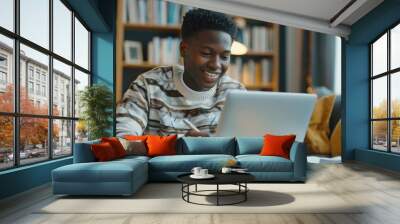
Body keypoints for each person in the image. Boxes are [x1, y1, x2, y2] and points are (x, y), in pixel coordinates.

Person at [116, 8, 245, 138]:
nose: (216, 65)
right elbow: (124, 140)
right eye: (206, 53)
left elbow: (252, 142)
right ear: (183, 49)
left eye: (224, 56)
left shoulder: (235, 92)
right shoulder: (148, 86)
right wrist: (180, 145)